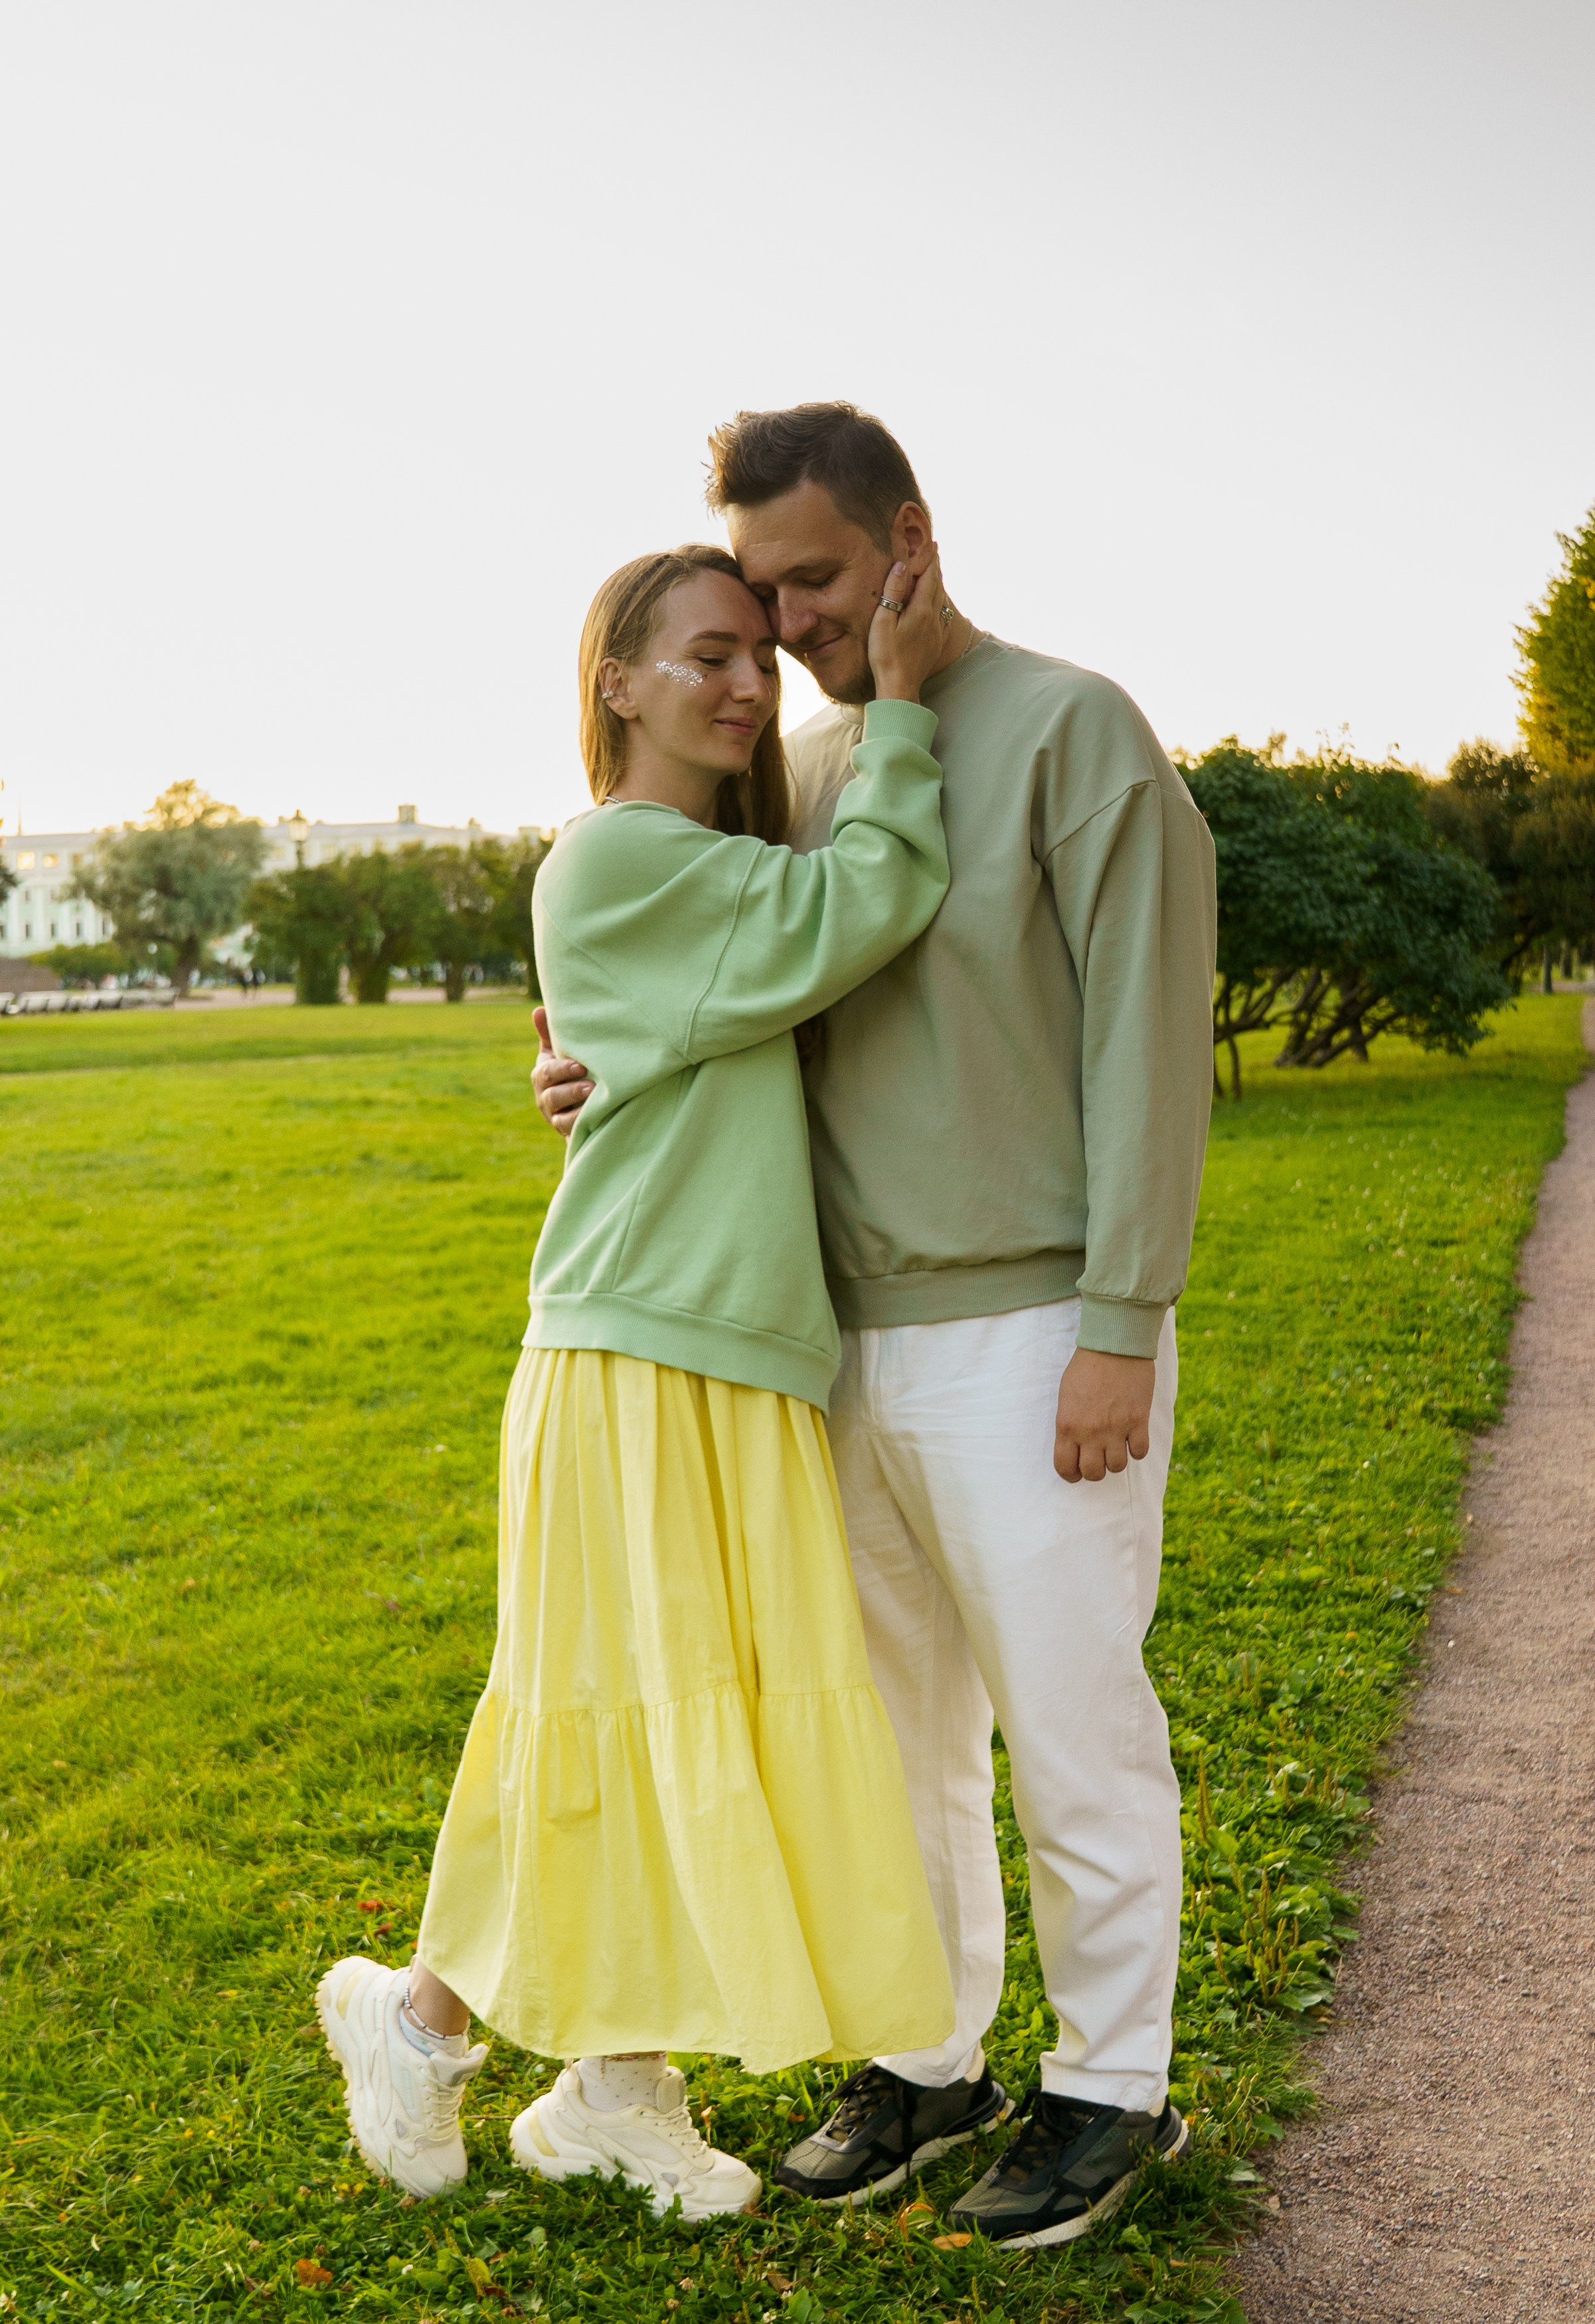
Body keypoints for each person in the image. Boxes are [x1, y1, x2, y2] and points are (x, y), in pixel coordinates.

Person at [535, 404, 1218, 2250]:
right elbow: (746, 971)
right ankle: (929, 2059)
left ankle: (1111, 2088)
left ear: (909, 538)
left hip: (1030, 1331)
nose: (791, 627)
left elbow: (1146, 1048)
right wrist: (602, 1051)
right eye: (758, 598)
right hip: (829, 1346)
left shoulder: (1075, 730)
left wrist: (1119, 1321)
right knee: (890, 1728)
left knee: (1074, 1720)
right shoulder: (816, 763)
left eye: (818, 579)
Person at [316, 540, 960, 2216]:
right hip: (635, 1349)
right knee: (602, 1709)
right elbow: (866, 902)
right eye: (706, 657)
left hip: (723, 1348)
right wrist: (895, 709)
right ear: (616, 682)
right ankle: (426, 2015)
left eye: (760, 653)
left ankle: (612, 2085)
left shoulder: (681, 862)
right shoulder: (619, 857)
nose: (749, 682)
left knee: (684, 1714)